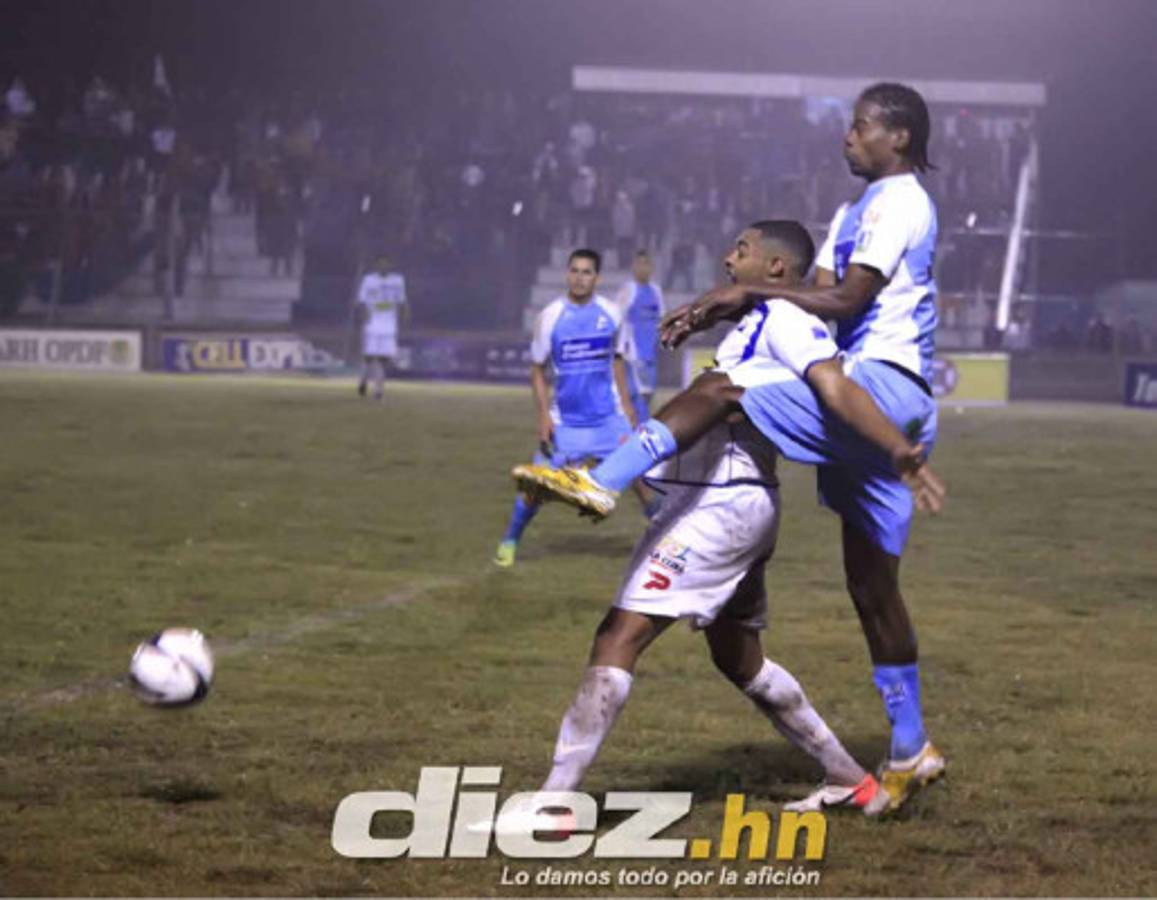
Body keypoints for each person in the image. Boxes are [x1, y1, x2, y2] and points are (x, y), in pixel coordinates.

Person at [517, 83, 947, 815]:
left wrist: (742, 299)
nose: (846, 136)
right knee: (866, 589)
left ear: (898, 136)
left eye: (860, 126)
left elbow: (840, 306)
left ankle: (600, 482)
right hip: (826, 431)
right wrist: (734, 301)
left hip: (878, 387)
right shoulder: (846, 220)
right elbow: (806, 298)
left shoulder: (899, 201)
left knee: (724, 390)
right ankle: (904, 750)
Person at [493, 250, 639, 568]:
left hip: (608, 419)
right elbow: (537, 369)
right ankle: (510, 541)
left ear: (596, 278)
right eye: (574, 271)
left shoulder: (612, 314)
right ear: (567, 274)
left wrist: (627, 405)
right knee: (535, 488)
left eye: (586, 272)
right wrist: (544, 415)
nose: (579, 278)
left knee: (644, 477)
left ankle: (667, 542)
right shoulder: (550, 317)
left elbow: (618, 359)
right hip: (567, 423)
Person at [614, 250, 665, 422]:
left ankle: (639, 426)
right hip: (634, 352)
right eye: (639, 264)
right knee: (637, 395)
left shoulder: (656, 291)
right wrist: (621, 349)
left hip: (651, 352)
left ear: (652, 268)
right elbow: (617, 318)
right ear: (633, 267)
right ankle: (637, 429)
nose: (643, 268)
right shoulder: (628, 290)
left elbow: (662, 318)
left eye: (646, 264)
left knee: (648, 393)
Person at [355, 256, 407, 400]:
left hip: (389, 325)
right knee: (369, 357)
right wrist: (365, 317)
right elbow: (361, 301)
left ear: (391, 265)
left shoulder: (398, 280)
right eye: (381, 263)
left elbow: (402, 301)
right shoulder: (368, 280)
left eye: (387, 263)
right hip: (372, 323)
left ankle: (378, 390)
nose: (384, 266)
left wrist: (404, 316)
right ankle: (363, 381)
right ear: (376, 265)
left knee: (383, 359)